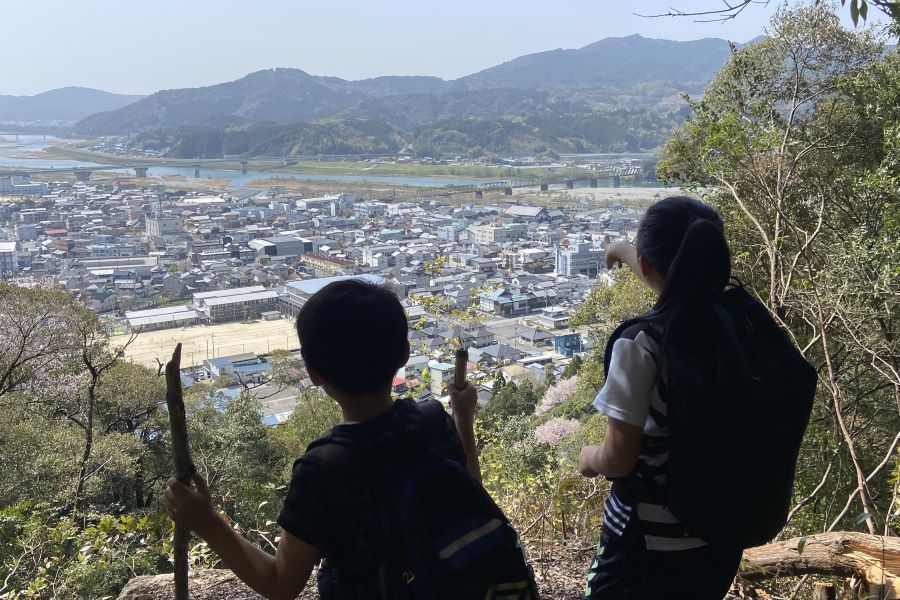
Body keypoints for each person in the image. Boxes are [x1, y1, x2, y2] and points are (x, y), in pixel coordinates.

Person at [164, 279, 482, 600]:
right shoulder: (431, 420)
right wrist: (462, 419)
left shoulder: (322, 469)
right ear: (404, 353)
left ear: (312, 371)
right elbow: (471, 497)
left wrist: (206, 522)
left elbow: (281, 583)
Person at [578, 196, 742, 599]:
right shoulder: (741, 322)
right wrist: (621, 250)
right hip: (722, 533)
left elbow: (619, 459)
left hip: (649, 544)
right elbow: (677, 278)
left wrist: (588, 457)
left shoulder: (642, 346)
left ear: (648, 266)